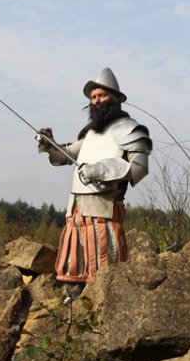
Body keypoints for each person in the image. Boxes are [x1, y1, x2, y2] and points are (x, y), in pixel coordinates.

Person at [36, 67, 152, 303]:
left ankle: (105, 306)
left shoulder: (131, 129)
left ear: (116, 98)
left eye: (102, 95)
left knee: (105, 265)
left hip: (104, 209)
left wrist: (101, 169)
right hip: (76, 209)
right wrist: (49, 144)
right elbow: (67, 155)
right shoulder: (90, 133)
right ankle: (74, 306)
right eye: (93, 97)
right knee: (74, 262)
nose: (97, 100)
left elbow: (139, 168)